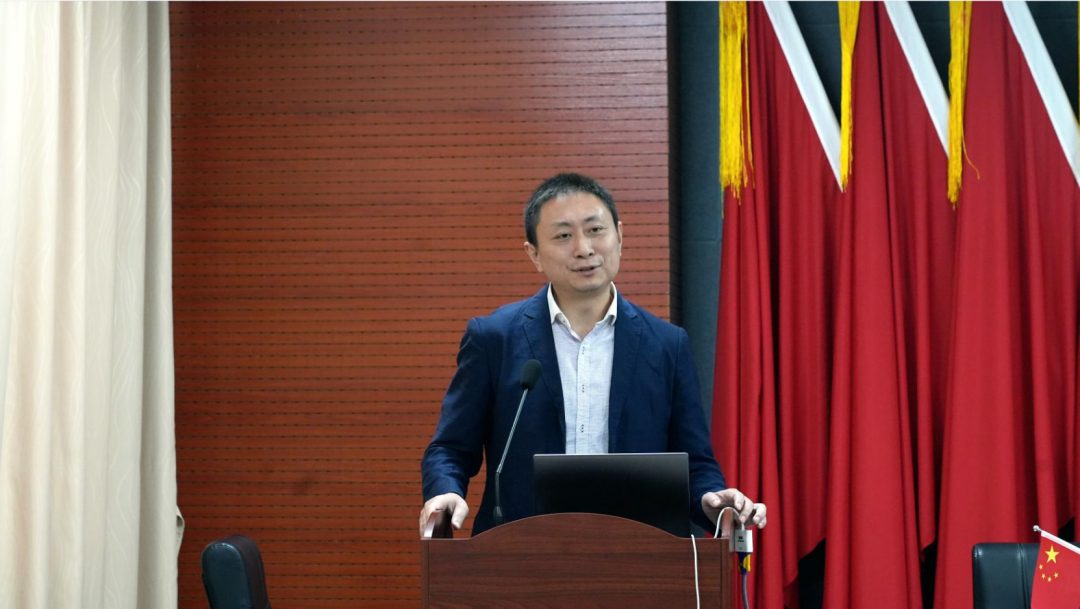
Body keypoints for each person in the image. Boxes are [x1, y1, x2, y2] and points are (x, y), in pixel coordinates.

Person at [419, 173, 766, 536]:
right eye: (563, 236)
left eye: (595, 230)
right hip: (521, 549)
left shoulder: (667, 345)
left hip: (637, 551)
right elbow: (450, 448)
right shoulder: (494, 338)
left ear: (620, 236)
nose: (584, 249)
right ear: (534, 254)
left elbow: (694, 463)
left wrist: (712, 499)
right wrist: (445, 491)